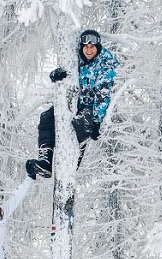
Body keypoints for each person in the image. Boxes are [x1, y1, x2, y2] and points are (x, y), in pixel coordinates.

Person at [26, 29, 119, 178]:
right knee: (47, 118)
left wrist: (97, 121)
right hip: (76, 103)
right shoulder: (76, 58)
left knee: (78, 127)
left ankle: (69, 166)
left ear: (98, 47)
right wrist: (56, 76)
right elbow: (68, 74)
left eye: (92, 47)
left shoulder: (105, 64)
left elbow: (103, 95)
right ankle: (46, 161)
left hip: (93, 108)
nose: (89, 50)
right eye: (86, 47)